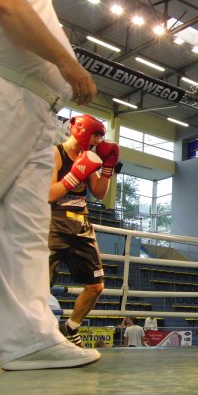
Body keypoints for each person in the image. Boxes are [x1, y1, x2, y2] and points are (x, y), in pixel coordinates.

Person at [0, 0, 100, 370]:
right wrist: (68, 64)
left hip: (38, 110)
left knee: (26, 232)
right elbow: (4, 4)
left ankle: (30, 339)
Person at [48, 114, 119, 347]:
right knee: (38, 287)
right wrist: (74, 175)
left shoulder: (88, 157)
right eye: (95, 135)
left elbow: (99, 192)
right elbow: (48, 195)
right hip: (54, 224)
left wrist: (107, 168)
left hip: (82, 226)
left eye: (100, 136)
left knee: (96, 286)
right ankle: (7, 338)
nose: (98, 141)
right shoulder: (55, 153)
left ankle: (70, 328)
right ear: (80, 129)